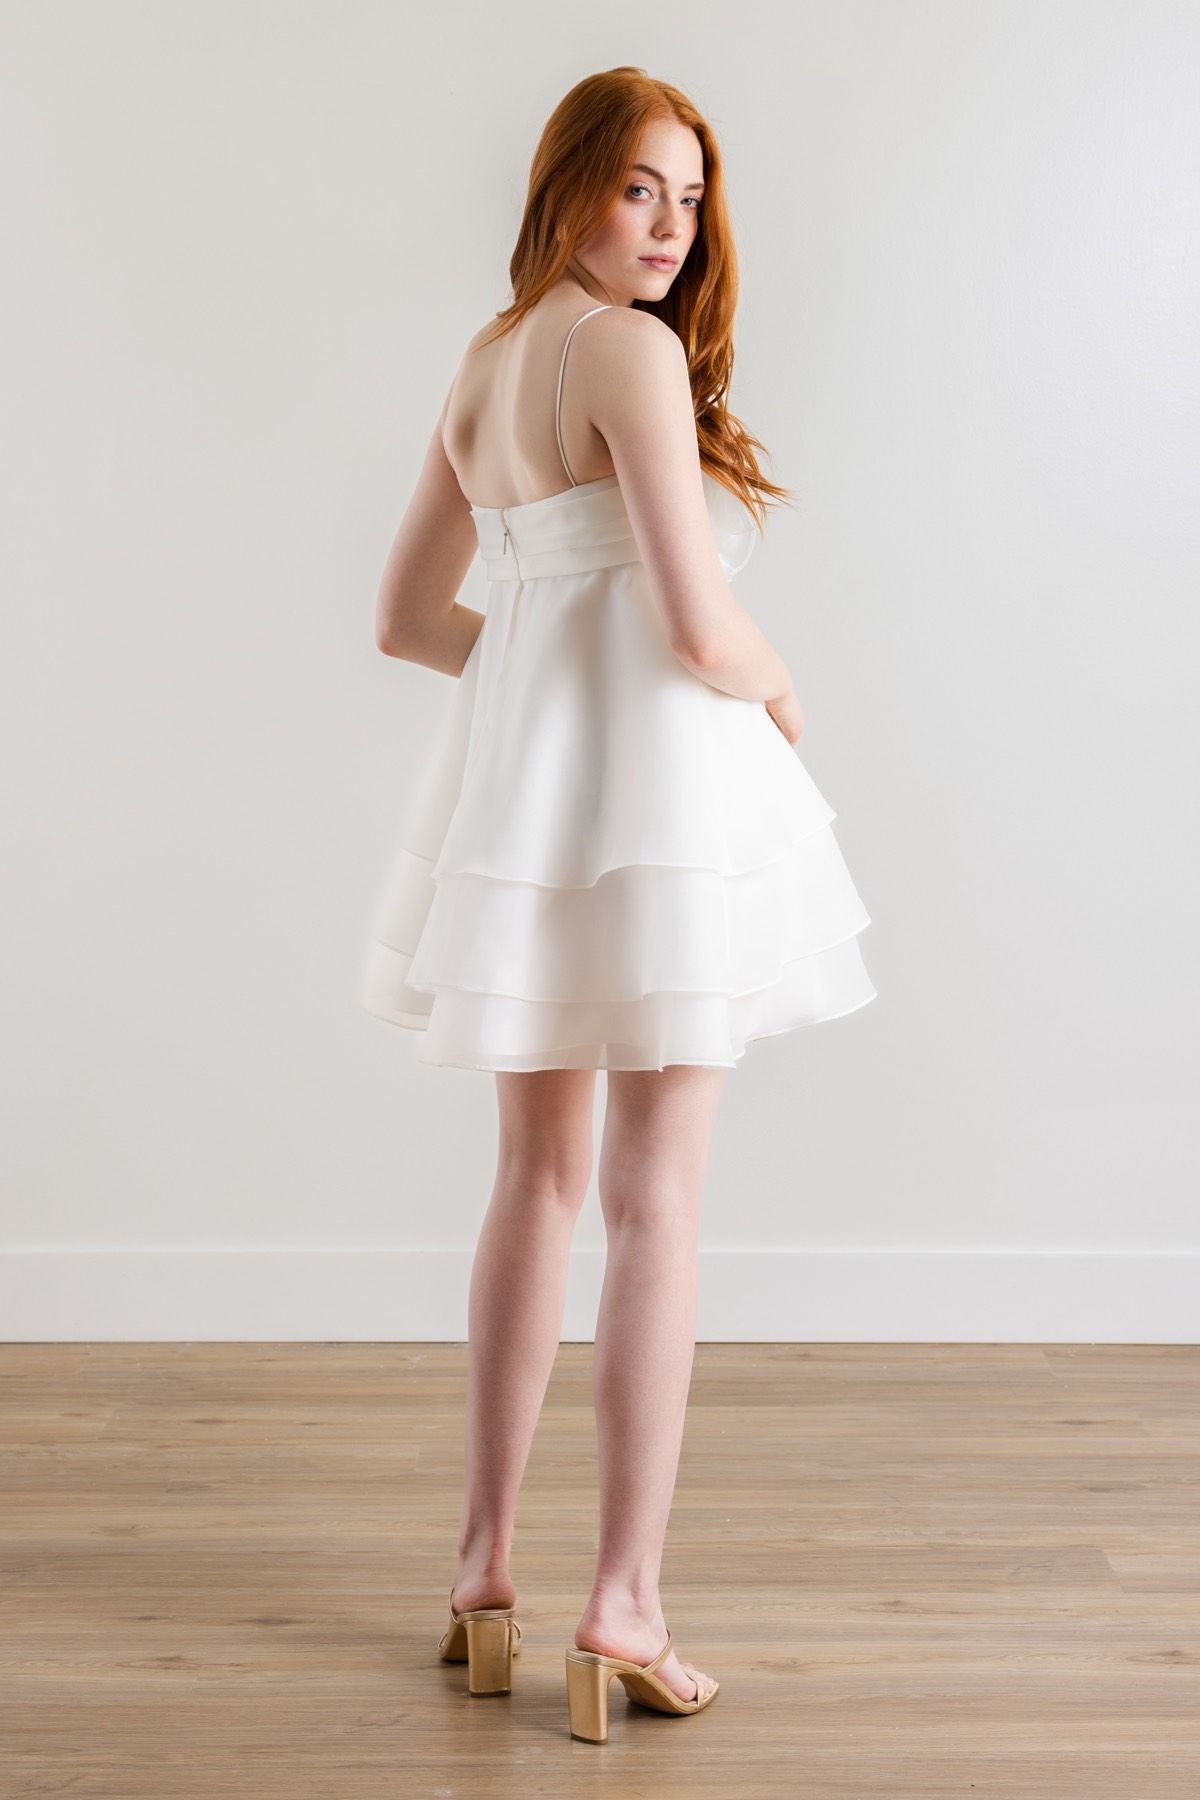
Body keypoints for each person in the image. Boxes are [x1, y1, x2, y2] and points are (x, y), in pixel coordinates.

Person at [360, 67, 876, 1742]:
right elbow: (700, 624)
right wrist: (785, 688)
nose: (670, 226)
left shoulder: (488, 359)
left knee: (536, 1180)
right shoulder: (626, 354)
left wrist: (536, 679)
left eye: (689, 195)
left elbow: (409, 618)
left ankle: (483, 1573)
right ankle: (626, 1606)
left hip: (533, 814)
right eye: (640, 188)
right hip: (662, 812)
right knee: (658, 1198)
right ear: (570, 185)